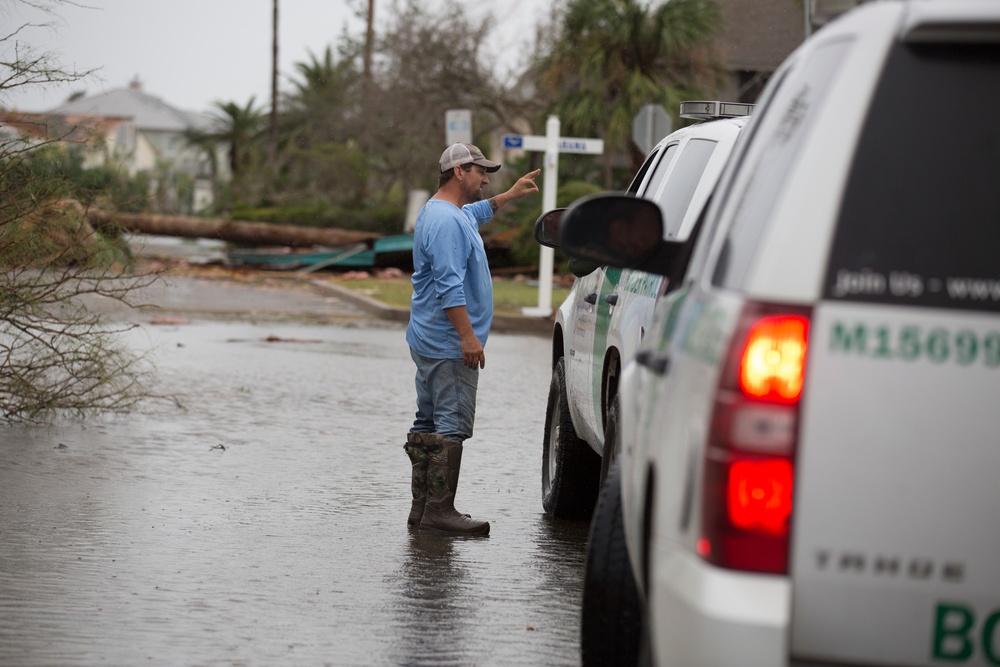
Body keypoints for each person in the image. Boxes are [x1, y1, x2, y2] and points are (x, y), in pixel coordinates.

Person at [403, 142, 541, 536]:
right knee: (451, 424)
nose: (486, 178)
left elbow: (476, 213)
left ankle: (422, 508)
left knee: (427, 419)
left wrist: (507, 196)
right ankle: (439, 512)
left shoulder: (446, 211)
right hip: (448, 342)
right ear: (459, 172)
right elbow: (449, 286)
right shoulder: (447, 222)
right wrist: (468, 338)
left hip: (427, 336)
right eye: (481, 172)